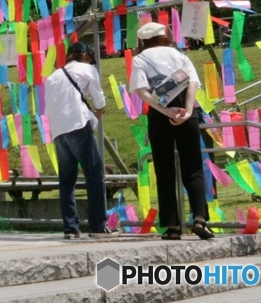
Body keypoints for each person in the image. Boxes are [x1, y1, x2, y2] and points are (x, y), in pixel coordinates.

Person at [130, 23, 213, 240]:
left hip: (160, 115)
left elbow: (141, 90)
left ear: (143, 41)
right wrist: (186, 112)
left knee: (165, 170)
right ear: (164, 36)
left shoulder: (140, 59)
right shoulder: (180, 55)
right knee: (193, 167)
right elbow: (193, 83)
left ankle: (172, 226)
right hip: (187, 111)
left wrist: (165, 111)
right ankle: (200, 218)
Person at [43, 42, 116, 239]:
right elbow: (99, 100)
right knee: (94, 174)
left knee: (67, 180)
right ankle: (98, 225)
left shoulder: (52, 77)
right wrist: (98, 113)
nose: (91, 62)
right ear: (84, 55)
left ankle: (71, 227)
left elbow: (48, 107)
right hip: (77, 125)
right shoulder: (87, 69)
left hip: (58, 130)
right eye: (90, 58)